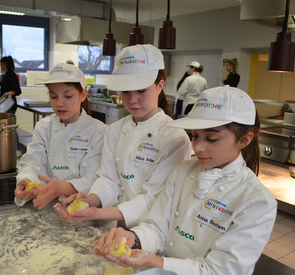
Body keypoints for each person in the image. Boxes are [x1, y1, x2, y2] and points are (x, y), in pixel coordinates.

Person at [95, 86, 277, 275]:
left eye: (212, 138)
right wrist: (133, 237)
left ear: (244, 140)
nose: (198, 147)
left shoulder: (257, 201)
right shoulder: (182, 171)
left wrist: (158, 261)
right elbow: (157, 227)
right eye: (195, 136)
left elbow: (220, 270)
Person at [54, 44, 192, 228]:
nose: (132, 99)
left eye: (141, 91)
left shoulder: (175, 138)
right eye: (126, 91)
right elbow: (109, 179)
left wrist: (100, 213)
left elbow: (155, 198)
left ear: (160, 86)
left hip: (152, 231)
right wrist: (91, 200)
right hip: (117, 224)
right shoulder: (115, 130)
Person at [14, 62, 106, 210]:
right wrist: (26, 180)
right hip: (47, 205)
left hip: (82, 207)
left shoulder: (98, 131)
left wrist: (61, 187)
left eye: (68, 96)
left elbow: (95, 179)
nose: (60, 103)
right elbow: (33, 162)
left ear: (83, 95)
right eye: (53, 96)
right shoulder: (44, 126)